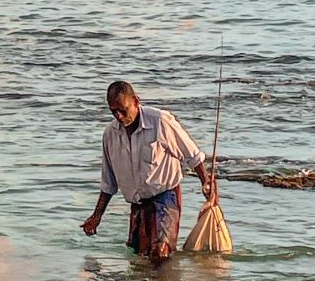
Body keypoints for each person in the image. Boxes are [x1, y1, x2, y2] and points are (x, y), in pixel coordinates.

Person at [82, 80, 216, 264]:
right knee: (139, 257)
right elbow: (109, 183)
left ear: (136, 101)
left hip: (165, 197)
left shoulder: (160, 121)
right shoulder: (110, 135)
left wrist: (206, 183)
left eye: (123, 109)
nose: (119, 116)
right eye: (113, 111)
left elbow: (193, 155)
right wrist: (97, 216)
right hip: (137, 204)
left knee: (161, 252)